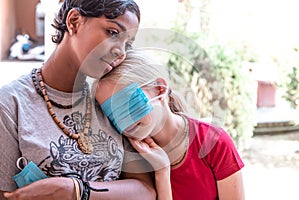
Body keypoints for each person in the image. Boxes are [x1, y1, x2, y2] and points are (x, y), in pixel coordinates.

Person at [0, 1, 157, 200]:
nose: (121, 51)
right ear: (74, 21)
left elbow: (145, 191)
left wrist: (78, 191)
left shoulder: (108, 98)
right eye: (113, 32)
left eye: (127, 44)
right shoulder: (10, 105)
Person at [95, 49, 245, 200]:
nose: (124, 120)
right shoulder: (129, 157)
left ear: (160, 88)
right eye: (112, 114)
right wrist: (162, 172)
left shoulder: (214, 142)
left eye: (128, 103)